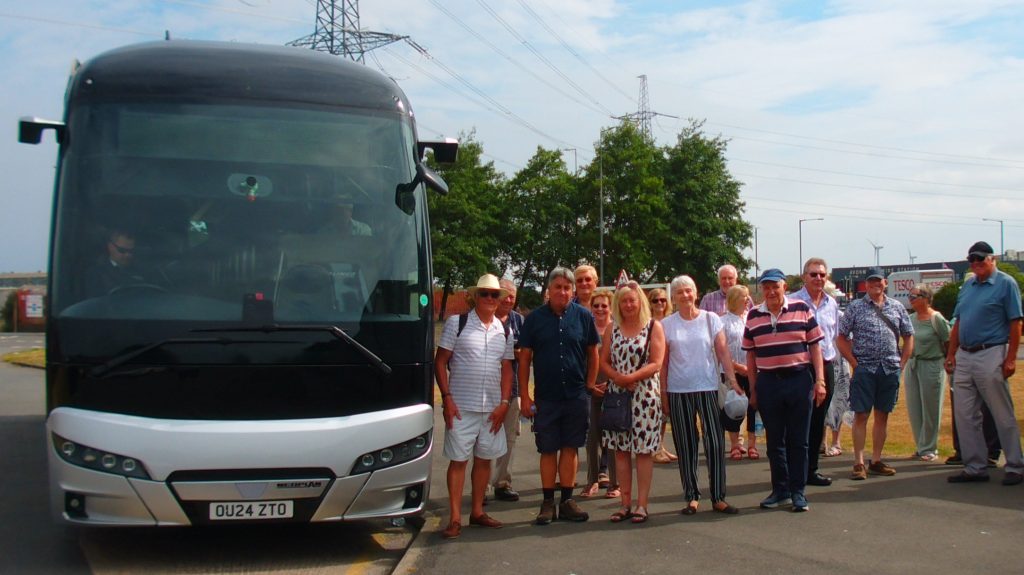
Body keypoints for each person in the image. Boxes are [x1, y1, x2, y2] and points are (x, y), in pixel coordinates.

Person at [434, 274, 515, 539]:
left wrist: (504, 403)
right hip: (461, 407)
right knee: (458, 461)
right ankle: (455, 518)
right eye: (485, 294)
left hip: (491, 409)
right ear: (475, 296)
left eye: (494, 295)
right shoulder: (457, 324)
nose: (490, 298)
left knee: (484, 461)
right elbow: (440, 361)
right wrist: (446, 398)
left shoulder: (504, 330)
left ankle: (477, 512)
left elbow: (507, 369)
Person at [519, 267, 601, 525]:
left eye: (567, 288)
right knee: (547, 449)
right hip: (546, 396)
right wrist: (525, 396)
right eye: (558, 287)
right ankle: (547, 503)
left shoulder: (584, 316)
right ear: (549, 290)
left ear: (572, 291)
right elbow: (524, 359)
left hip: (576, 395)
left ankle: (566, 501)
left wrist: (589, 384)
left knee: (570, 447)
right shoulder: (534, 319)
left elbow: (593, 352)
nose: (562, 292)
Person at [743, 269, 826, 513]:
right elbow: (750, 355)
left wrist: (820, 381)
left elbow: (815, 347)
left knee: (799, 440)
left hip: (799, 380)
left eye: (775, 287)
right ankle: (780, 490)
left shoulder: (801, 309)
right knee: (774, 441)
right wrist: (753, 389)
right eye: (766, 287)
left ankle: (798, 492)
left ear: (784, 288)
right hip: (769, 382)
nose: (770, 292)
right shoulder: (753, 315)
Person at [661, 275, 742, 515]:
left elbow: (723, 352)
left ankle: (718, 497)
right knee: (686, 444)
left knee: (715, 442)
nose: (685, 295)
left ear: (696, 293)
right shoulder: (667, 324)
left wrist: (733, 380)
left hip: (708, 387)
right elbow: (663, 364)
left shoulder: (710, 319)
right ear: (673, 297)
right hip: (678, 390)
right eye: (680, 292)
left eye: (689, 290)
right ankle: (692, 496)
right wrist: (663, 394)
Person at [945, 241, 1024, 485]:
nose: (976, 263)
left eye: (981, 258)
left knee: (1001, 412)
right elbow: (959, 321)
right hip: (965, 354)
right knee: (965, 415)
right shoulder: (968, 286)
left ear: (992, 259)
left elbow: (1016, 322)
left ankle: (1015, 465)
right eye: (972, 259)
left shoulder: (1005, 284)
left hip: (991, 351)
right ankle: (975, 466)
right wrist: (951, 353)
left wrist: (1010, 358)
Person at [837, 267, 914, 481]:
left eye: (878, 281)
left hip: (889, 368)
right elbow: (841, 337)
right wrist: (854, 363)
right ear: (866, 284)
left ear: (885, 283)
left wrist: (902, 363)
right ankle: (859, 462)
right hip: (865, 369)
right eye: (871, 281)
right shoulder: (855, 307)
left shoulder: (897, 307)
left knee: (882, 415)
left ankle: (876, 460)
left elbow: (909, 335)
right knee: (861, 415)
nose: (875, 285)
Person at [600, 282, 665, 523]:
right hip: (618, 397)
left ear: (640, 302)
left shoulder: (653, 326)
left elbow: (657, 362)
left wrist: (631, 378)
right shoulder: (612, 328)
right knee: (621, 451)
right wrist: (619, 378)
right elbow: (603, 360)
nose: (628, 305)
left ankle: (642, 505)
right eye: (624, 301)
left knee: (644, 452)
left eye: (632, 300)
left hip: (645, 398)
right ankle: (624, 504)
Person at [790, 258, 841, 487]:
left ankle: (811, 470)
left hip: (826, 366)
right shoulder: (793, 302)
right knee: (798, 420)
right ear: (804, 277)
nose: (818, 278)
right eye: (813, 274)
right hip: (800, 366)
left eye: (822, 274)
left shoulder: (832, 304)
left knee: (818, 420)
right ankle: (793, 471)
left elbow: (834, 336)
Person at [903, 284, 950, 462]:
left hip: (932, 364)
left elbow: (948, 341)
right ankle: (921, 446)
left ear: (926, 298)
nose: (911, 299)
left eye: (914, 296)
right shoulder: (910, 319)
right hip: (913, 364)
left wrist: (948, 361)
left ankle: (930, 448)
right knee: (914, 408)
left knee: (931, 407)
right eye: (910, 296)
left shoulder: (936, 318)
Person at [581, 290, 619, 499]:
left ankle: (615, 482)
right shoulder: (586, 329)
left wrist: (612, 382)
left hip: (613, 388)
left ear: (611, 308)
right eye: (596, 305)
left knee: (613, 437)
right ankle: (592, 480)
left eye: (604, 305)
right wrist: (589, 385)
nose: (600, 309)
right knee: (592, 437)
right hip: (590, 389)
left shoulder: (617, 330)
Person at [491, 279, 525, 502]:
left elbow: (527, 353)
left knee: (509, 438)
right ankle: (482, 486)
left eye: (513, 296)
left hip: (513, 388)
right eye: (506, 295)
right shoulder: (486, 317)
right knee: (485, 437)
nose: (509, 299)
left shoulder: (519, 321)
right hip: (488, 388)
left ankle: (502, 482)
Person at [721, 284, 759, 461]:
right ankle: (735, 444)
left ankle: (752, 444)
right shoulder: (723, 321)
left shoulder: (752, 319)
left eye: (748, 296)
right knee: (733, 405)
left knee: (753, 406)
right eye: (744, 296)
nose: (747, 300)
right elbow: (721, 350)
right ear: (734, 299)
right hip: (732, 370)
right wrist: (737, 367)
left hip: (752, 369)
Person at [648, 286, 679, 464]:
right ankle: (655, 448)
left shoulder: (670, 321)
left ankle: (660, 445)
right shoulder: (648, 322)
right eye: (655, 300)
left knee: (665, 412)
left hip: (670, 370)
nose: (659, 303)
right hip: (654, 371)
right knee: (656, 412)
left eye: (663, 300)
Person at [84, 228, 148, 297]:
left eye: (131, 251)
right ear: (110, 247)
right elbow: (95, 301)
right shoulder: (96, 274)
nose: (128, 255)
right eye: (122, 250)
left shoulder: (143, 270)